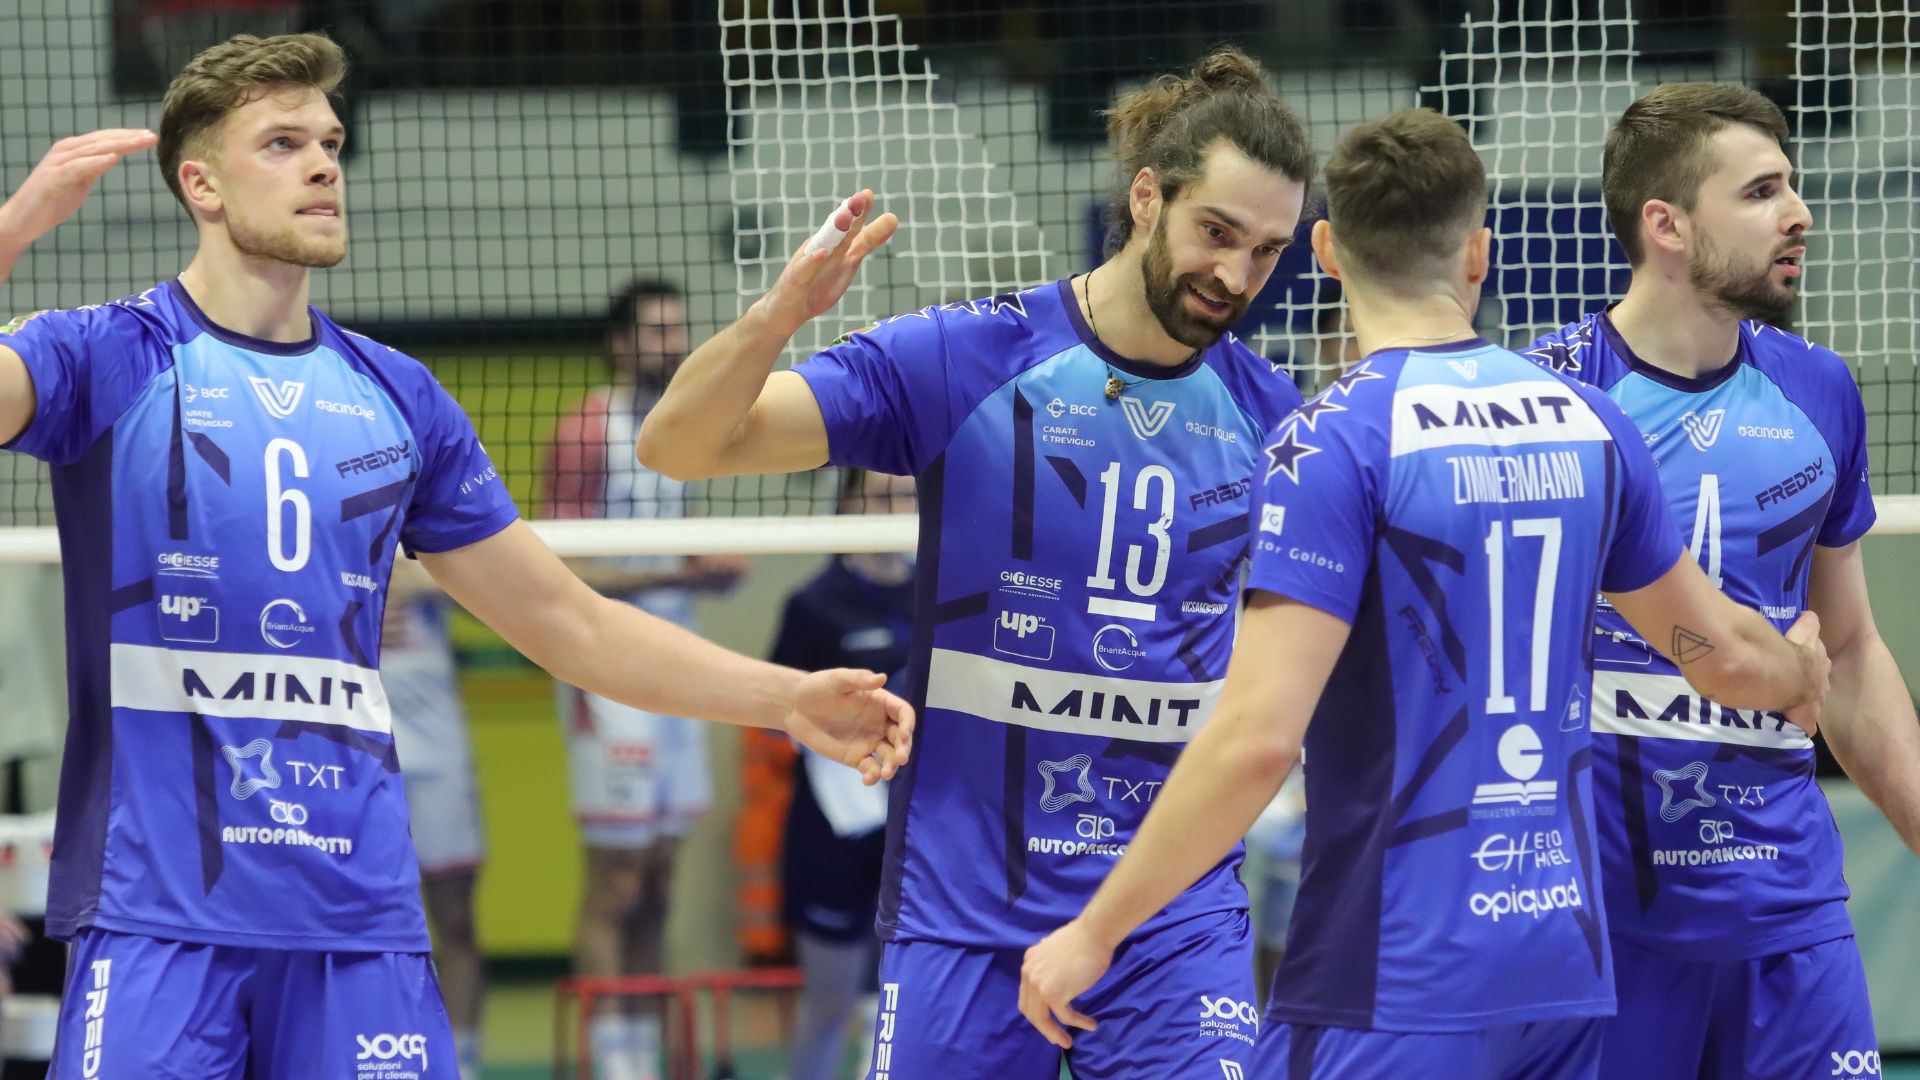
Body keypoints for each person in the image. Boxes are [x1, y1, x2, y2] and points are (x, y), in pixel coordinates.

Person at [0, 33, 911, 1078]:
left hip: (359, 923)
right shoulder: (107, 354)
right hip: (159, 917)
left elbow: (570, 622)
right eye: (283, 143)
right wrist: (15, 227)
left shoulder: (399, 397)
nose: (322, 165)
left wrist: (785, 699)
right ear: (199, 183)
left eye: (331, 141)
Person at [1017, 107, 1829, 1080]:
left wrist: (1097, 929)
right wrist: (1801, 671)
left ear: (1326, 251)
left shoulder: (1334, 439)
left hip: (1393, 970)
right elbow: (1724, 657)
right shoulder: (1590, 422)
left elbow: (1258, 741)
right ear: (1479, 253)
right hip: (1558, 966)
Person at [641, 44, 1313, 1078]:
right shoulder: (967, 360)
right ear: (1147, 198)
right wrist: (779, 319)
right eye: (1216, 233)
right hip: (965, 917)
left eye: (1267, 252)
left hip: (1171, 922)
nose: (1236, 276)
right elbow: (679, 447)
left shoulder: (1275, 422)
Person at [1526, 82, 1920, 1079]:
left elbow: (1850, 649)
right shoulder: (1547, 399)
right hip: (1602, 922)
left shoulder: (1818, 389)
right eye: (1760, 192)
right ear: (1666, 225)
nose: (1800, 212)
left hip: (1789, 909)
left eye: (1791, 183)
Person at [541, 279, 748, 1080]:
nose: (673, 343)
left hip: (679, 664)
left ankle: (647, 1056)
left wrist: (709, 570)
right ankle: (611, 1061)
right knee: (617, 880)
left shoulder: (688, 426)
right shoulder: (587, 430)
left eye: (678, 329)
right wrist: (672, 571)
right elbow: (558, 569)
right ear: (620, 342)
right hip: (606, 669)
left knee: (662, 875)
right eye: (657, 331)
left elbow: (677, 547)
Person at [767, 469, 917, 1080]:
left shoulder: (940, 594)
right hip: (832, 831)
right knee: (829, 1001)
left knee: (898, 1007)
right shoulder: (813, 605)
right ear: (851, 504)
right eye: (882, 498)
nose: (896, 510)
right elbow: (773, 716)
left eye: (907, 498)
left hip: (914, 831)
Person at [383, 560, 488, 1080]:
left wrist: (410, 577)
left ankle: (462, 1061)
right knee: (368, 922)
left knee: (456, 920)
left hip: (439, 751)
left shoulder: (432, 546)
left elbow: (495, 586)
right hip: (358, 751)